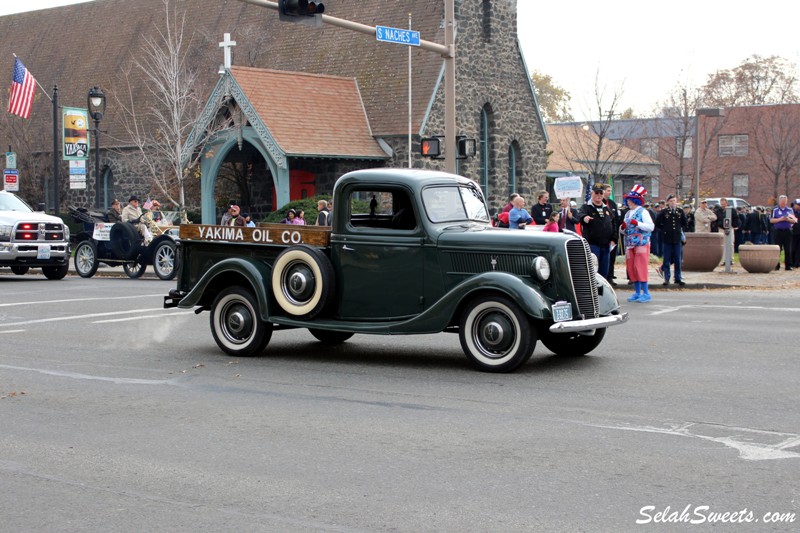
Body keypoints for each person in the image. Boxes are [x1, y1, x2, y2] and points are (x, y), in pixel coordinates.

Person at [620, 184, 655, 302]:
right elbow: (623, 229)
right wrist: (623, 228)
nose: (628, 202)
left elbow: (651, 227)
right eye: (627, 200)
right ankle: (637, 292)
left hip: (641, 243)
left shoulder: (643, 212)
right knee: (632, 268)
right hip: (630, 244)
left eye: (630, 200)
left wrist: (638, 223)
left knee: (640, 267)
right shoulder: (627, 213)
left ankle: (645, 292)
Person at [579, 184, 615, 279]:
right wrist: (584, 217)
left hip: (605, 244)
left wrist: (613, 239)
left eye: (601, 193)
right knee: (593, 269)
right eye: (596, 193)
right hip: (593, 243)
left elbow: (613, 223)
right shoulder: (586, 207)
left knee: (604, 271)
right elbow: (580, 215)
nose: (599, 195)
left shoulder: (606, 208)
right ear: (592, 193)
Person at [655, 194, 687, 286]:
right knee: (667, 259)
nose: (673, 202)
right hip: (667, 238)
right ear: (668, 202)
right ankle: (667, 278)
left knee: (677, 259)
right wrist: (664, 229)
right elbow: (657, 223)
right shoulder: (664, 211)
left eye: (674, 201)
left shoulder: (680, 211)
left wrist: (679, 231)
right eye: (671, 201)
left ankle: (677, 278)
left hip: (677, 238)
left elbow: (684, 223)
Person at [770, 195, 797, 271]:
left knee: (788, 249)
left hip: (787, 231)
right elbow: (771, 220)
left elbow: (794, 221)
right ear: (779, 201)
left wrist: (788, 219)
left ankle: (788, 265)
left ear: (786, 201)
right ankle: (776, 265)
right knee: (777, 249)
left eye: (784, 202)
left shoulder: (790, 210)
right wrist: (780, 219)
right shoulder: (775, 210)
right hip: (778, 231)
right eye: (782, 202)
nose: (783, 203)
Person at [602, 183, 620, 286]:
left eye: (610, 190)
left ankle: (610, 276)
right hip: (603, 236)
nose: (610, 192)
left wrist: (615, 236)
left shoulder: (612, 204)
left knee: (612, 257)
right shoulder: (600, 203)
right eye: (608, 190)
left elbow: (616, 220)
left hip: (612, 235)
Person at [792, 200, 800, 268]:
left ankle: (797, 262)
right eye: (797, 205)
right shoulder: (791, 212)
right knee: (793, 247)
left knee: (798, 249)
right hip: (793, 232)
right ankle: (792, 261)